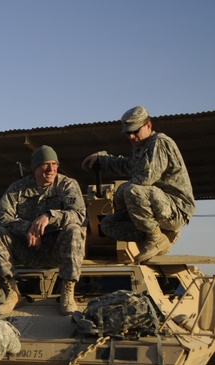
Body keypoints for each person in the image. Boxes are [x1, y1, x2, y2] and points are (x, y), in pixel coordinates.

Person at [81, 106, 195, 264]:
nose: (132, 136)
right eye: (128, 133)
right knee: (108, 225)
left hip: (176, 208)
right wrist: (102, 159)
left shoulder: (159, 142)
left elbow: (144, 179)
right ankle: (159, 236)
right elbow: (128, 165)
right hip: (157, 207)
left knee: (132, 191)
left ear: (149, 126)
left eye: (135, 131)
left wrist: (119, 194)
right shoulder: (140, 147)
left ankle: (155, 238)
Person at [0, 145, 86, 317]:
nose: (51, 169)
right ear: (35, 167)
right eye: (45, 164)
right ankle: (11, 292)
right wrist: (28, 228)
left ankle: (68, 291)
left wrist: (49, 216)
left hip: (59, 250)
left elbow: (78, 214)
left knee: (74, 229)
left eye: (54, 164)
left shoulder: (66, 185)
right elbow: (2, 218)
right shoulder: (18, 189)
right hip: (27, 248)